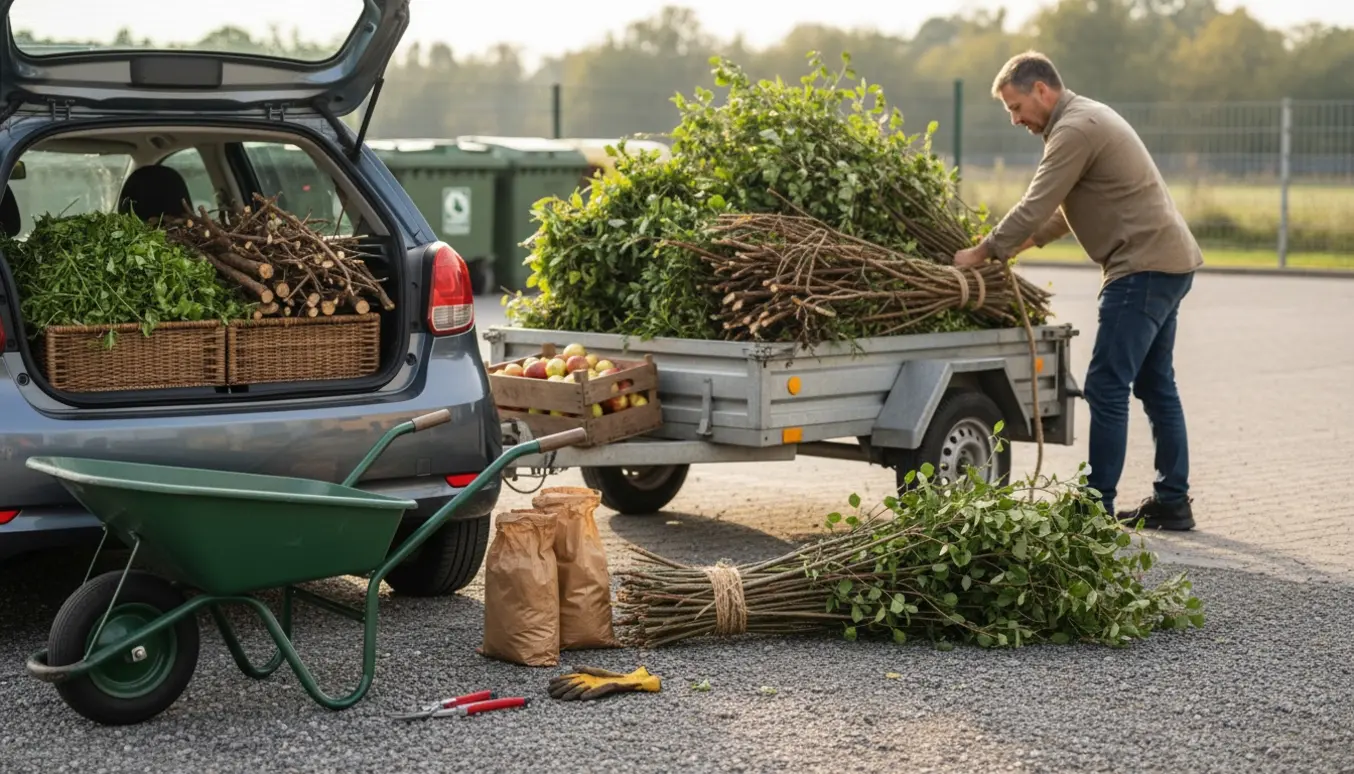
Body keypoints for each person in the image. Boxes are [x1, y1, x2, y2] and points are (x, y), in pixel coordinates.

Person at [952, 51, 1203, 531]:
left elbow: (1035, 201)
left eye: (1015, 106)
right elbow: (1064, 212)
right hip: (1168, 262)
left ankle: (1094, 506)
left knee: (1107, 386)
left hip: (1141, 268)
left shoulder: (1074, 129)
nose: (1015, 119)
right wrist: (1018, 247)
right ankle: (1172, 501)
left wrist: (981, 253)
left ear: (1041, 90)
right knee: (1154, 385)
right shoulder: (1086, 118)